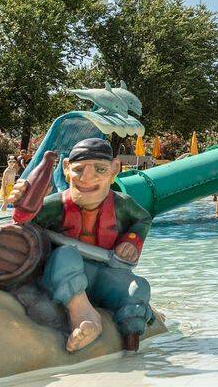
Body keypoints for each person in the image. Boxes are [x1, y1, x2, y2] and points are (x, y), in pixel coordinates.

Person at [8, 138, 153, 353]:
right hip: (64, 273)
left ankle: (131, 353)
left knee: (137, 288)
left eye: (99, 169)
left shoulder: (123, 204)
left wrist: (131, 240)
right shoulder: (54, 206)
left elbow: (143, 219)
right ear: (66, 169)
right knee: (66, 254)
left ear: (114, 170)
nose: (87, 178)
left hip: (106, 273)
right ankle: (83, 315)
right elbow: (21, 224)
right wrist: (23, 205)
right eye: (78, 170)